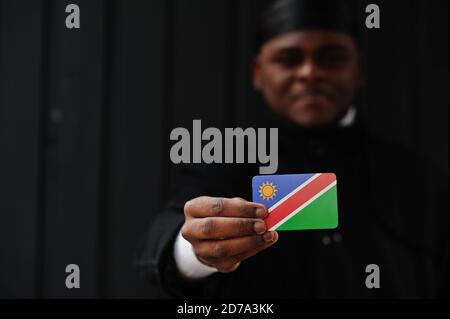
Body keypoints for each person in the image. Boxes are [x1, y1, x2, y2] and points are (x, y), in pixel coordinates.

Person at [136, 0, 448, 298]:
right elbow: (162, 238)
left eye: (332, 58)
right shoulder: (225, 161)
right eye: (289, 59)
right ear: (259, 73)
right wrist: (196, 247)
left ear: (360, 70)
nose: (310, 73)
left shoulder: (416, 179)